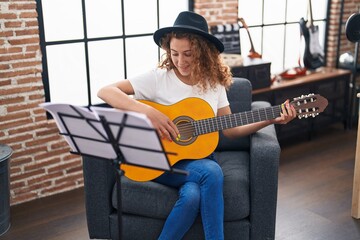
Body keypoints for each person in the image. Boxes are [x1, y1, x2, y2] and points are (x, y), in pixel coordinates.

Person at [98, 11, 296, 240]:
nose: (180, 61)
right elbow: (106, 91)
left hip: (197, 159)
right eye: (174, 54)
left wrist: (271, 118)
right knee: (211, 173)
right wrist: (150, 112)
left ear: (203, 52)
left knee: (192, 195)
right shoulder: (158, 78)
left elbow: (231, 129)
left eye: (188, 54)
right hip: (157, 159)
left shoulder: (214, 85)